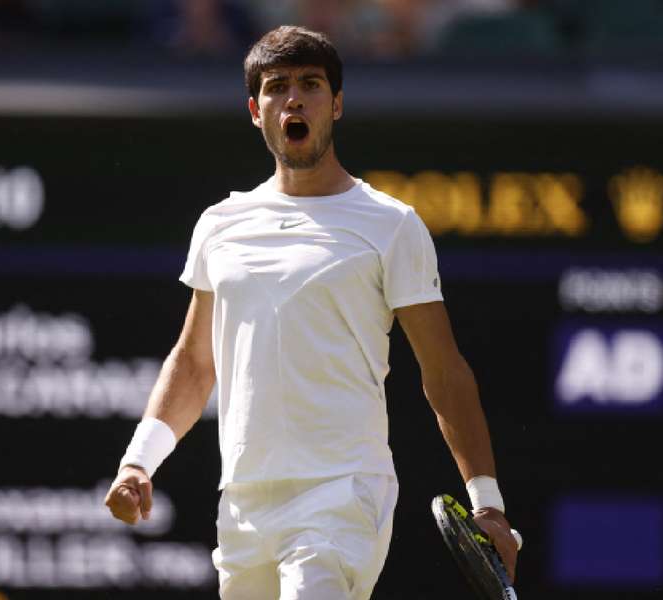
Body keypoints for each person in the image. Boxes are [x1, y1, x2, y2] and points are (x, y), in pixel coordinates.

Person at [105, 24, 518, 599]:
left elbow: (443, 370)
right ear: (256, 110)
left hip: (344, 495)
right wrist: (138, 463)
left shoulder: (392, 226)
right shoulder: (220, 225)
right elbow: (196, 362)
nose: (293, 99)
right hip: (244, 501)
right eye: (277, 87)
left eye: (310, 84)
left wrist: (488, 504)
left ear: (337, 105)